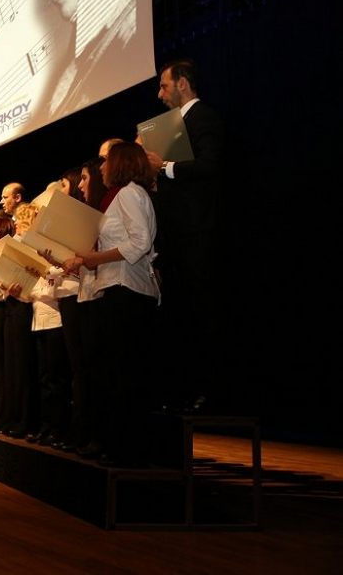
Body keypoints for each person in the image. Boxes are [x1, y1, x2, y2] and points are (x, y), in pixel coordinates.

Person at [63, 142, 160, 467]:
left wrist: (95, 257)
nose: (100, 167)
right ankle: (118, 445)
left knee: (122, 374)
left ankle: (125, 449)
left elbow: (141, 242)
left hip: (127, 291)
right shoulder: (121, 195)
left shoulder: (130, 192)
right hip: (116, 289)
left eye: (105, 162)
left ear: (120, 163)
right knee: (115, 373)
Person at [143, 58, 225, 412]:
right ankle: (182, 388)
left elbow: (212, 164)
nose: (159, 93)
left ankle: (205, 390)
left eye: (164, 85)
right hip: (177, 234)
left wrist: (165, 166)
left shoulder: (204, 116)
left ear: (183, 84)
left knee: (199, 310)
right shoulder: (174, 124)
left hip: (197, 232)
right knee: (179, 314)